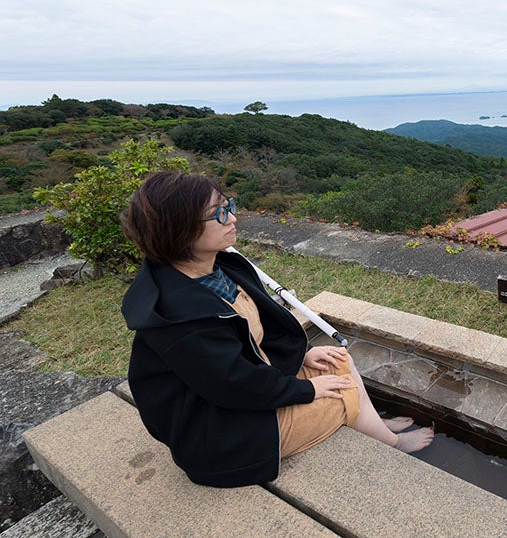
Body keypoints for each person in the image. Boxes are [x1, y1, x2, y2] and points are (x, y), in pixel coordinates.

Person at [120, 170, 433, 487]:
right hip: (220, 430)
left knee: (339, 362)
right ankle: (392, 444)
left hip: (245, 393)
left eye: (228, 204)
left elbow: (255, 335)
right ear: (180, 230)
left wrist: (303, 355)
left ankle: (375, 423)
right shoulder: (180, 314)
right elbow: (232, 384)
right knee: (344, 393)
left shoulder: (218, 266)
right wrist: (307, 390)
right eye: (218, 213)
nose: (232, 218)